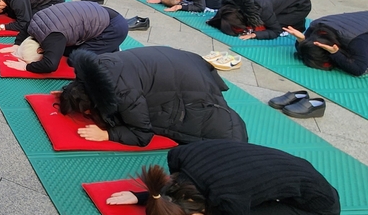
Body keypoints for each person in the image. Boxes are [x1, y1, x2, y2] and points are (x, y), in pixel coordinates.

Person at [109, 141, 339, 215]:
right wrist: (144, 197)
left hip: (319, 207)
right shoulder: (178, 155)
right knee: (220, 212)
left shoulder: (229, 198)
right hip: (290, 178)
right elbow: (173, 189)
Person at [58, 47, 248, 146]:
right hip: (188, 65)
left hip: (195, 90)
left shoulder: (123, 92)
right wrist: (71, 93)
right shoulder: (99, 66)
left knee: (224, 137)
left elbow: (142, 134)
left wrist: (107, 134)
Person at [0, 1, 129, 74]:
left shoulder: (54, 38)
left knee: (75, 59)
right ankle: (108, 45)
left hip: (114, 27)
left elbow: (50, 65)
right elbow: (24, 29)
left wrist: (26, 67)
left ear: (41, 49)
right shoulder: (35, 24)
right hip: (101, 13)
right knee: (69, 47)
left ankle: (111, 50)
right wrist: (16, 45)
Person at [206, 0, 312, 40]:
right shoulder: (232, 4)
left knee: (270, 25)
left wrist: (255, 34)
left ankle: (297, 21)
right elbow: (223, 15)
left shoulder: (261, 8)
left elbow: (275, 31)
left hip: (300, 6)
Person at [286, 11, 368, 76]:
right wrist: (301, 40)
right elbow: (306, 51)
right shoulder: (316, 26)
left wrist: (335, 53)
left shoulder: (355, 41)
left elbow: (358, 69)